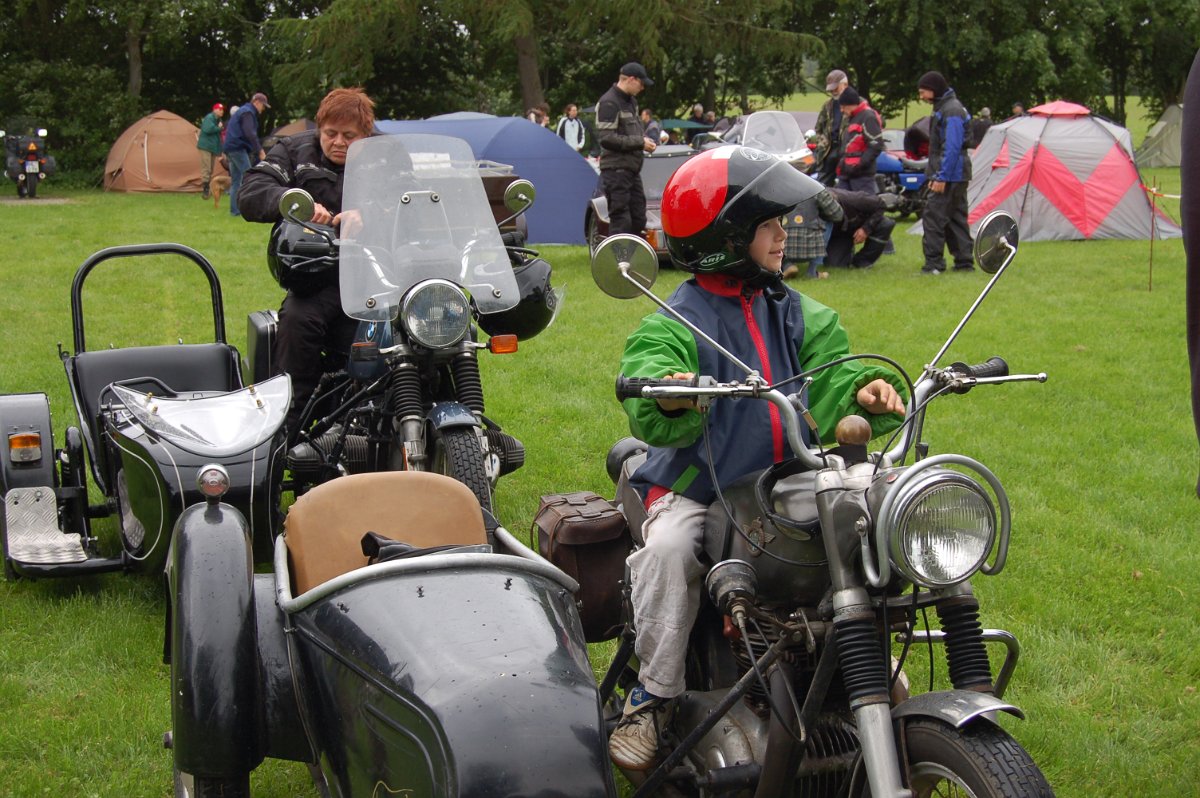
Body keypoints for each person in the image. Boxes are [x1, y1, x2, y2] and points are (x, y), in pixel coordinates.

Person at [607, 145, 907, 771]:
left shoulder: (799, 312)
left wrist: (866, 390)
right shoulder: (675, 317)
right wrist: (669, 388)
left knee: (870, 522)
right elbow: (644, 380)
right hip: (700, 487)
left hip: (787, 480)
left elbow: (832, 378)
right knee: (666, 552)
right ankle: (654, 695)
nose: (784, 234)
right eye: (770, 225)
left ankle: (863, 664)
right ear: (727, 236)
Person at [238, 87, 376, 429]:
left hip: (378, 277)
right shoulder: (294, 149)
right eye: (331, 133)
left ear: (366, 133)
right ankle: (290, 428)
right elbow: (252, 192)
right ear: (320, 127)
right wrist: (291, 198)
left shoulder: (386, 156)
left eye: (349, 135)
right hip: (317, 279)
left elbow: (416, 197)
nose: (339, 142)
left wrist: (370, 215)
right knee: (299, 321)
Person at [918, 71, 974, 274]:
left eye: (923, 91)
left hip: (950, 174)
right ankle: (964, 262)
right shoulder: (947, 107)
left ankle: (934, 264)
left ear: (933, 90)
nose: (921, 96)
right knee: (955, 218)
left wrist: (941, 176)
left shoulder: (951, 110)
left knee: (933, 217)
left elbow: (952, 146)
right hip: (957, 173)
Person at [595, 62, 657, 237]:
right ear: (631, 79)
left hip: (631, 169)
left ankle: (634, 259)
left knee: (638, 218)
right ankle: (620, 262)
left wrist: (647, 140)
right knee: (621, 219)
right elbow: (607, 138)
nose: (643, 87)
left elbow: (633, 132)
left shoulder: (631, 101)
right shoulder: (609, 102)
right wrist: (640, 142)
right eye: (641, 83)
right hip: (616, 170)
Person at [223, 92, 269, 217]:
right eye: (263, 106)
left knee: (236, 181)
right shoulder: (248, 112)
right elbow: (250, 133)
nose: (263, 109)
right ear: (257, 102)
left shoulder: (243, 111)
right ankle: (253, 209)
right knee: (250, 178)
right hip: (238, 148)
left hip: (230, 148)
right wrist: (260, 151)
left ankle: (235, 211)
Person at [825, 187, 897, 269]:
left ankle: (863, 260)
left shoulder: (856, 199)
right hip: (841, 233)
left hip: (860, 224)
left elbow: (881, 204)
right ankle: (848, 252)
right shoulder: (815, 205)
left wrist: (866, 229)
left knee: (885, 224)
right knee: (834, 265)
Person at [782, 185, 843, 279]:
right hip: (811, 246)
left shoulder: (778, 185)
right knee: (829, 221)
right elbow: (838, 214)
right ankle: (812, 271)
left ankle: (787, 265)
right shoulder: (816, 187)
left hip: (782, 246)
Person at [835, 88, 883, 194]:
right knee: (842, 204)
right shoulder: (852, 118)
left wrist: (859, 165)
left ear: (851, 104)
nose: (842, 110)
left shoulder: (868, 117)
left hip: (862, 176)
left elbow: (876, 145)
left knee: (864, 206)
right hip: (846, 173)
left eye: (843, 106)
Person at [813, 69, 849, 186]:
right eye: (831, 89)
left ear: (845, 85)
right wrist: (822, 142)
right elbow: (818, 128)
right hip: (828, 151)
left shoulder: (857, 103)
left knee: (846, 186)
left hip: (847, 152)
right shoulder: (827, 106)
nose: (833, 92)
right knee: (821, 186)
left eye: (836, 88)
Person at [197, 102, 224, 200]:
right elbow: (208, 129)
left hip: (212, 147)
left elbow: (217, 135)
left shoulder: (217, 119)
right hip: (205, 146)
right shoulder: (209, 118)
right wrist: (219, 128)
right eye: (220, 109)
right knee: (206, 168)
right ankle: (205, 189)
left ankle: (207, 189)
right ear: (215, 110)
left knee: (211, 168)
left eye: (222, 110)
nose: (222, 111)